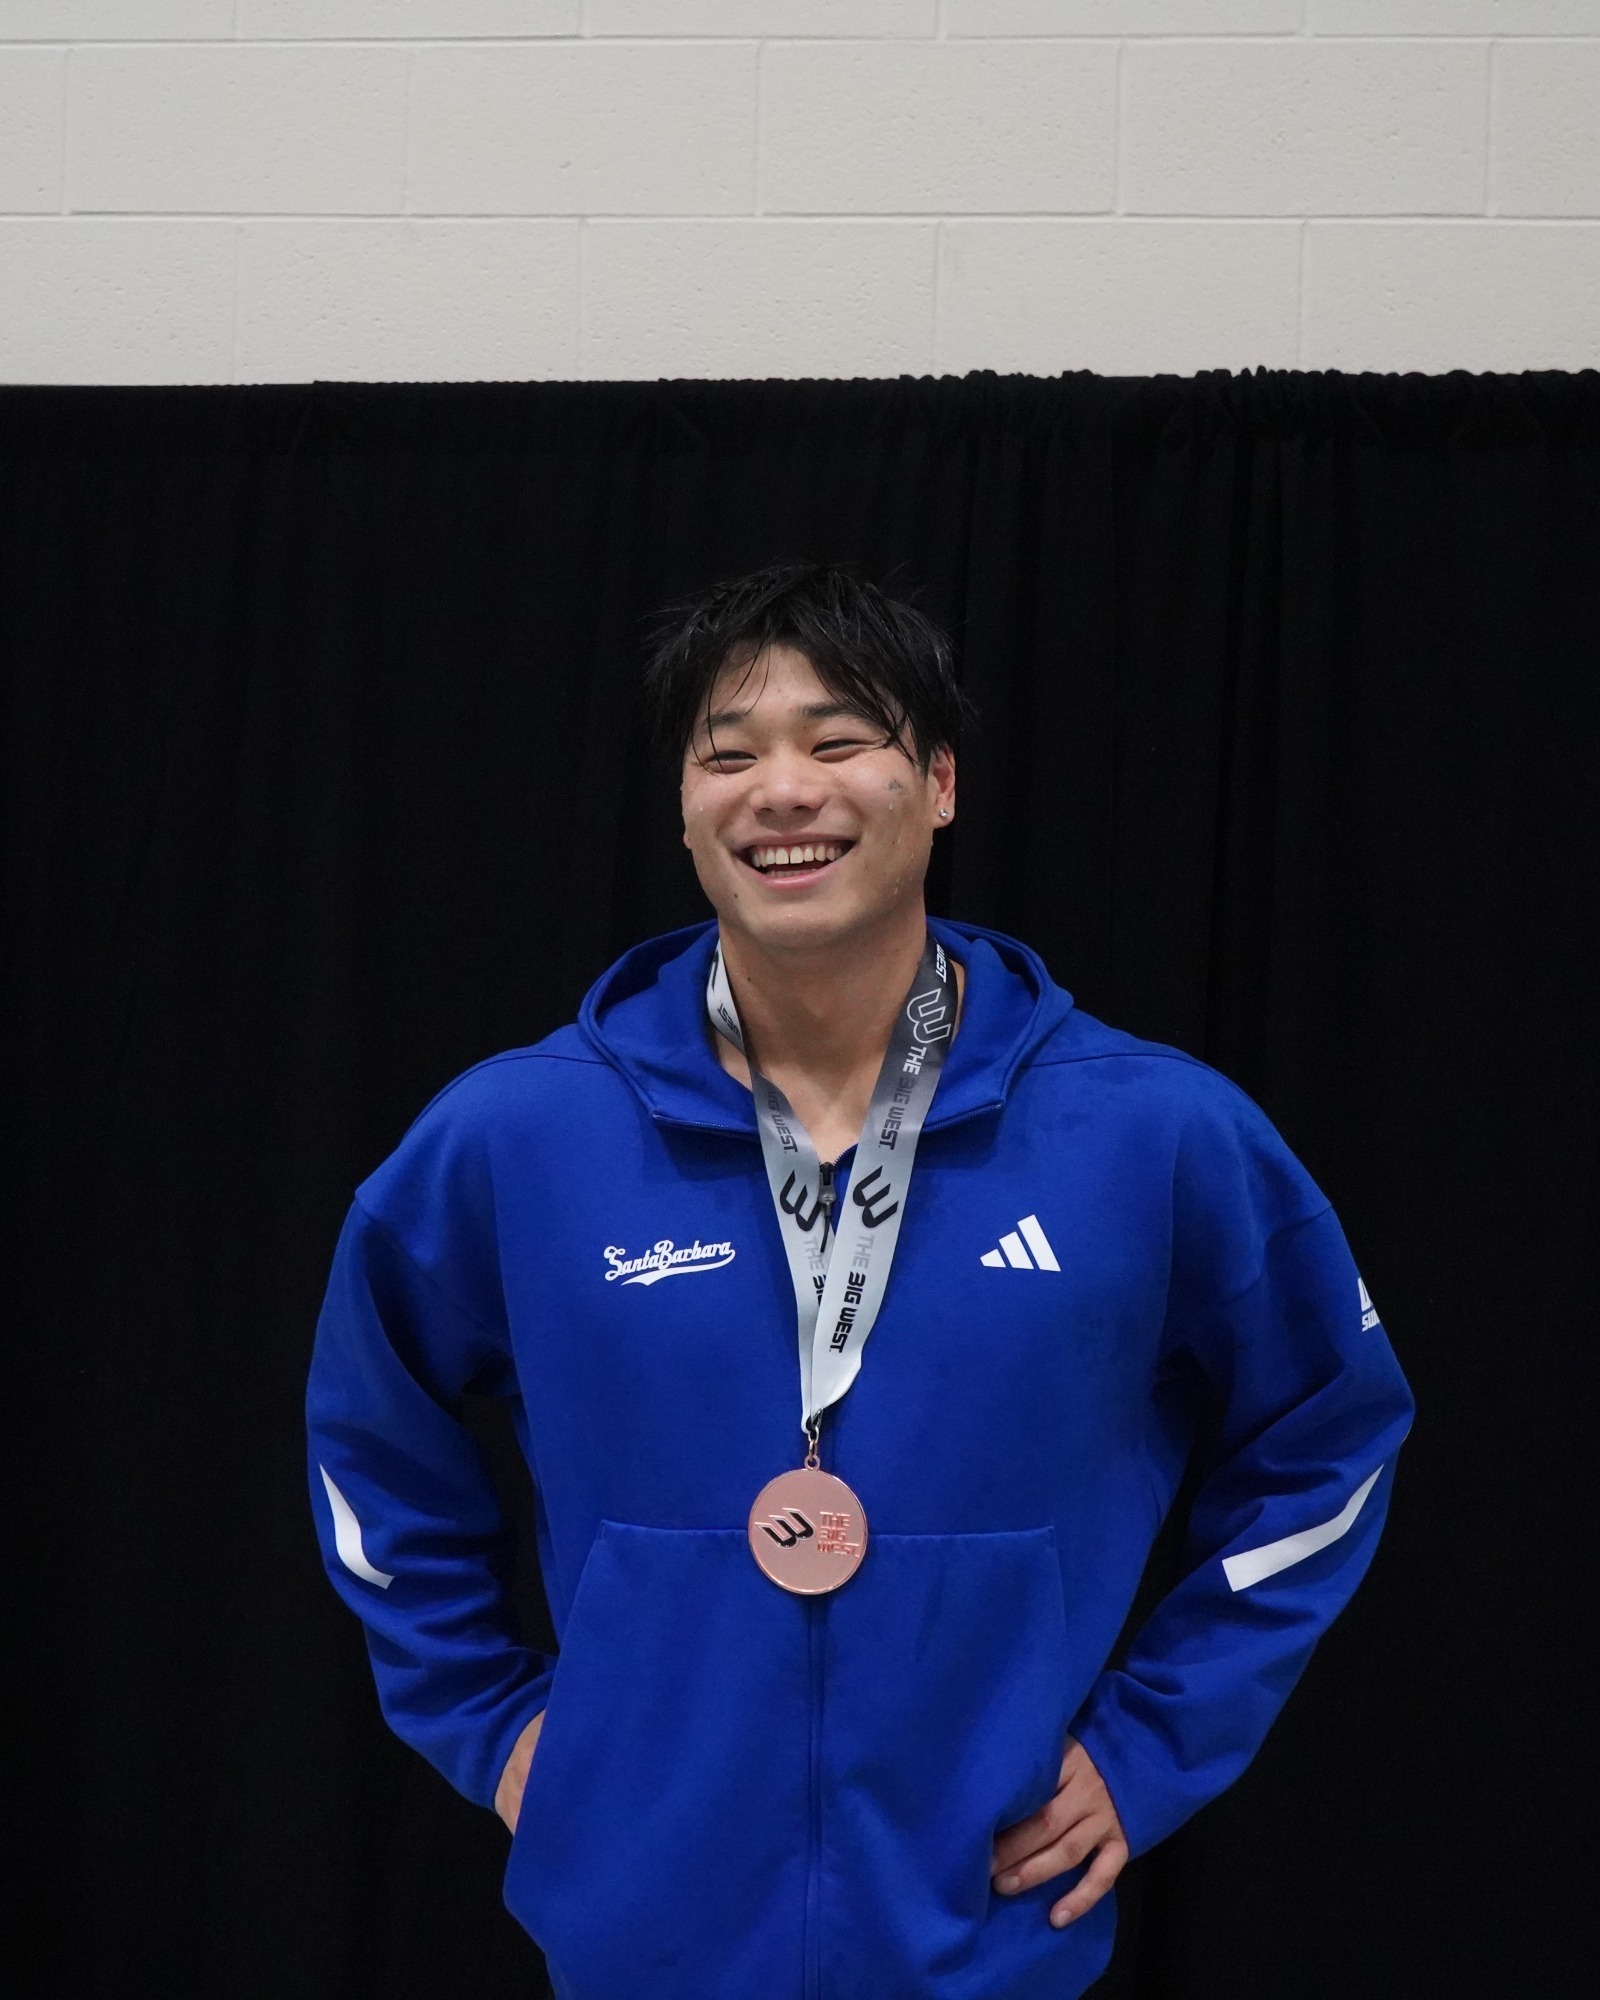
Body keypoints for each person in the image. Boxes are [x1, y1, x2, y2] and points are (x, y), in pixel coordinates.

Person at [306, 560, 1415, 2000]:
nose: (784, 790)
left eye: (838, 742)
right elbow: (370, 1445)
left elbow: (1330, 1432)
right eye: (729, 756)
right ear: (684, 811)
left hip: (991, 1937)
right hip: (640, 1941)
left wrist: (1151, 1747)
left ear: (939, 784)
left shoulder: (1153, 1133)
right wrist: (494, 1724)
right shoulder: (516, 1137)